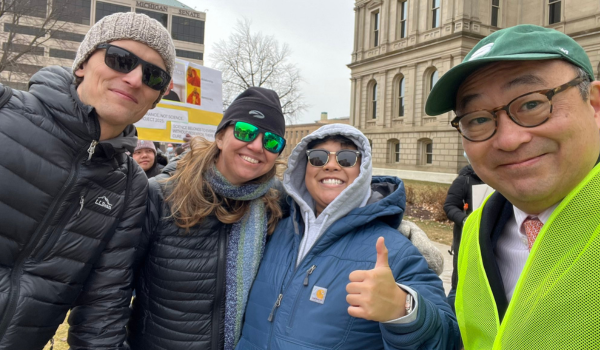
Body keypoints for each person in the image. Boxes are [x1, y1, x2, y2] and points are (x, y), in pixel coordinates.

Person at [0, 12, 175, 349]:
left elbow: (103, 308)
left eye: (153, 75)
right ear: (82, 63)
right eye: (120, 59)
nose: (135, 79)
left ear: (156, 99)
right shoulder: (4, 111)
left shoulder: (129, 185)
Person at [425, 24, 600, 349]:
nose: (507, 139)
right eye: (477, 119)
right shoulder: (476, 232)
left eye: (532, 104)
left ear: (595, 105)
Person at [236, 124, 460, 350]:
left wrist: (404, 310)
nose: (331, 165)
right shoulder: (272, 229)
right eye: (318, 157)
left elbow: (448, 338)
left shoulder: (394, 251)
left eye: (346, 158)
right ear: (304, 167)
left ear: (363, 170)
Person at [127, 87, 288, 350]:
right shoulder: (160, 194)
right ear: (221, 137)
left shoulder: (276, 204)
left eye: (272, 141)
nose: (257, 146)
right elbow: (110, 289)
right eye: (245, 131)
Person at [443, 163, 484, 311]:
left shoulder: (499, 179)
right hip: (466, 239)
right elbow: (449, 206)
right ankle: (450, 317)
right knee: (460, 283)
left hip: (489, 239)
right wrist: (465, 220)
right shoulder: (464, 180)